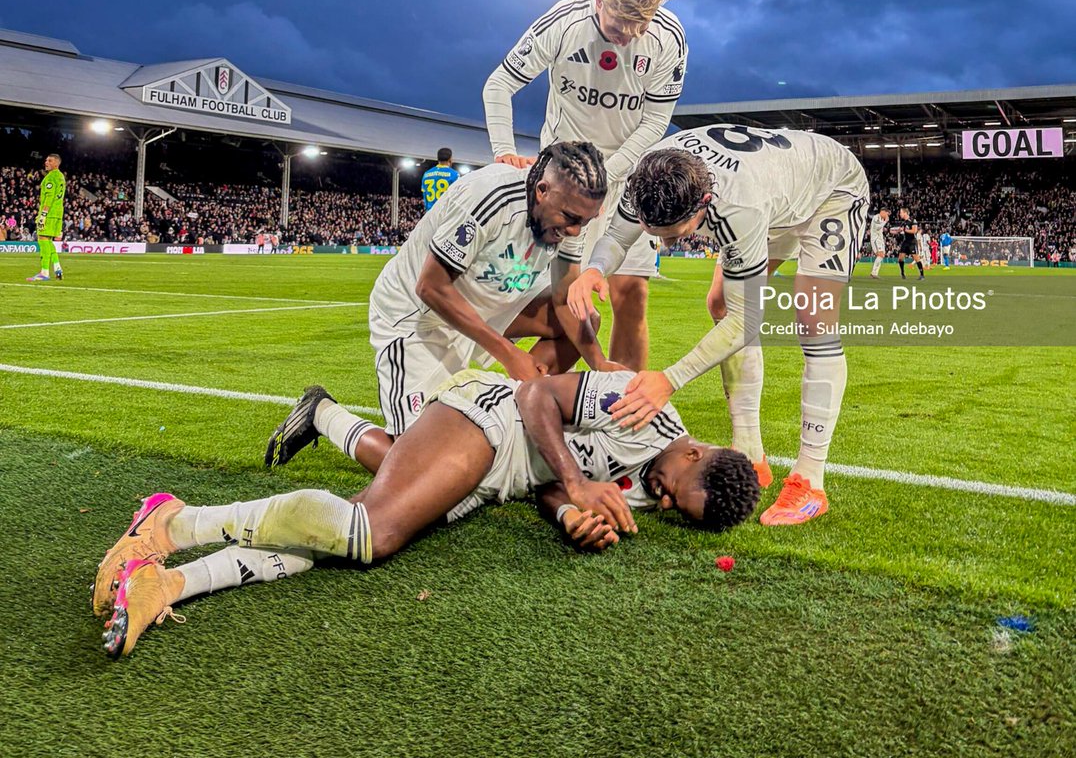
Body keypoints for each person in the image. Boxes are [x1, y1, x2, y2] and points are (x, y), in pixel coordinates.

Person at [95, 367, 761, 658]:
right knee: (371, 532)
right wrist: (575, 483)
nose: (664, 499)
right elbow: (536, 398)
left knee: (343, 528)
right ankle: (172, 523)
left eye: (677, 511)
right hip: (491, 419)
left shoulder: (654, 487)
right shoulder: (641, 406)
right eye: (678, 487)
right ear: (696, 449)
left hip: (499, 479)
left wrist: (568, 517)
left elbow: (552, 494)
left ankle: (172, 582)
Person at [568, 125, 870, 526]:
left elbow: (748, 320)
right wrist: (594, 269)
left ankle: (809, 480)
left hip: (829, 191)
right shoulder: (645, 177)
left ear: (704, 203)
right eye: (655, 234)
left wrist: (670, 379)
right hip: (777, 191)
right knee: (720, 303)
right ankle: (749, 452)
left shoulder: (737, 207)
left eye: (676, 234)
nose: (667, 245)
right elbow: (618, 237)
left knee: (813, 319)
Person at [267, 141, 611, 476]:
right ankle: (321, 413)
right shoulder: (489, 197)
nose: (575, 231)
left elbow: (565, 299)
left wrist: (600, 363)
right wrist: (510, 354)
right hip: (419, 315)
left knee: (583, 322)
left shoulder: (570, 211)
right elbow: (430, 286)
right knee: (419, 469)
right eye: (570, 218)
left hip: (487, 304)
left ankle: (515, 412)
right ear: (542, 190)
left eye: (586, 221)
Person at [482, 0, 688, 370]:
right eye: (617, 27)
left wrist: (608, 177)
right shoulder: (563, 21)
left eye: (640, 28)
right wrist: (503, 148)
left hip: (626, 178)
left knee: (631, 294)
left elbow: (655, 121)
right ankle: (497, 389)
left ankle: (618, 409)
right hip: (562, 183)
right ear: (599, 1)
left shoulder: (670, 38)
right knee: (532, 292)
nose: (627, 39)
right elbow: (499, 83)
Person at [26, 153, 65, 282]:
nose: (46, 163)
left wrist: (43, 215)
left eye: (49, 161)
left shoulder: (50, 178)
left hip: (49, 214)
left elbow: (49, 197)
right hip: (58, 213)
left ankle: (44, 272)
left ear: (56, 163)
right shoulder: (61, 177)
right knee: (48, 241)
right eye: (46, 160)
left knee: (42, 239)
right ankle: (57, 268)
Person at [894, 208, 925, 279]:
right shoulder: (903, 222)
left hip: (912, 242)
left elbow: (914, 231)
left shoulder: (913, 221)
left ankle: (922, 275)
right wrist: (897, 231)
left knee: (916, 258)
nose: (900, 214)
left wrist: (905, 230)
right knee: (900, 258)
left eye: (901, 212)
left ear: (905, 213)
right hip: (905, 241)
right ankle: (902, 273)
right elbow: (900, 230)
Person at [868, 207, 890, 278]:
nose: (887, 216)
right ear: (883, 212)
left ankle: (874, 273)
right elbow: (878, 227)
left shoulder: (880, 218)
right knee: (880, 255)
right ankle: (874, 273)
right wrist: (885, 221)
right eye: (887, 214)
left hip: (880, 239)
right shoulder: (876, 217)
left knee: (882, 255)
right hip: (876, 239)